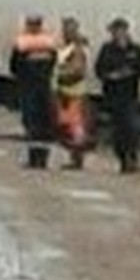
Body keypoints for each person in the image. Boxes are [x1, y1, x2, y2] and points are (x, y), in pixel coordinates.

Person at [95, 17, 140, 173]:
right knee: (118, 129)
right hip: (112, 95)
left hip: (129, 94)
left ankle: (131, 156)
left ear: (125, 31)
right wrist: (111, 75)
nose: (117, 34)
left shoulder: (137, 50)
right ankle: (122, 157)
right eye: (114, 31)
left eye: (120, 30)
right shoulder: (107, 49)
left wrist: (130, 72)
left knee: (130, 126)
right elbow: (99, 70)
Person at [9, 14, 58, 169]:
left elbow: (14, 66)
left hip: (29, 87)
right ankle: (43, 160)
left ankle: (33, 159)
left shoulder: (22, 42)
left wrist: (23, 77)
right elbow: (54, 62)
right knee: (45, 123)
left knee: (31, 122)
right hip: (44, 87)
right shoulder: (49, 42)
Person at [53, 16, 92, 170]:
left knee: (76, 127)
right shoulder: (66, 47)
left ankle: (77, 158)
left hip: (75, 93)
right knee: (69, 126)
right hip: (65, 92)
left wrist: (61, 75)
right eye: (65, 29)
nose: (66, 32)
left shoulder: (77, 49)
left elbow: (78, 70)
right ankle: (74, 157)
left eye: (69, 29)